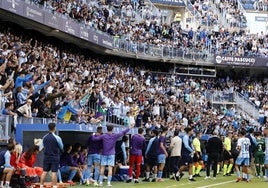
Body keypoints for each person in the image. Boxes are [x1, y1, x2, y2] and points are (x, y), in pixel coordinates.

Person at [40, 123, 64, 188]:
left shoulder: (44, 137)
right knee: (54, 172)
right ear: (54, 128)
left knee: (44, 172)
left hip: (46, 157)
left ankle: (41, 186)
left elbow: (41, 148)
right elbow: (61, 147)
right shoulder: (57, 138)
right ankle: (54, 186)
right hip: (55, 157)